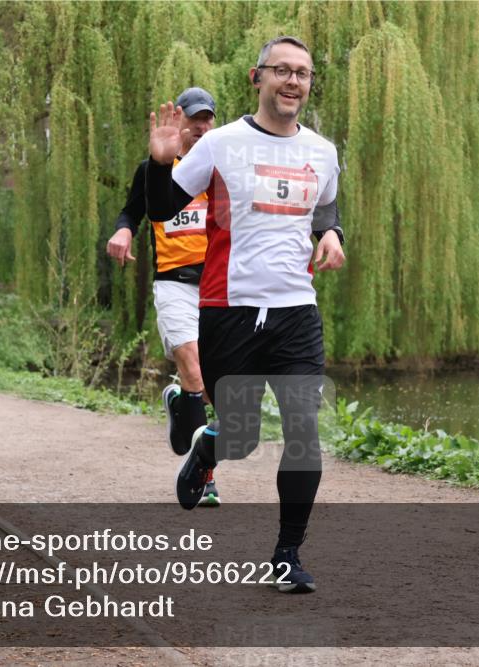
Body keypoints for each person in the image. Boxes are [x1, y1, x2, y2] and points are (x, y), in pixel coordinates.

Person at [145, 36, 346, 593]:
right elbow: (162, 209)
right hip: (228, 309)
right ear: (258, 79)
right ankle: (210, 447)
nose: (293, 82)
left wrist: (331, 232)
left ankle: (287, 554)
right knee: (241, 436)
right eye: (281, 71)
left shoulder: (324, 151)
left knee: (304, 432)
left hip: (295, 311)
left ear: (309, 84)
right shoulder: (221, 144)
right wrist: (161, 165)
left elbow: (323, 203)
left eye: (303, 73)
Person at [106, 87, 221, 506]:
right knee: (192, 365)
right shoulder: (156, 167)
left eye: (208, 120)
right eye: (194, 120)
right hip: (174, 282)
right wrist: (122, 229)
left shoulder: (221, 169)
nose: (201, 127)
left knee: (216, 386)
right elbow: (131, 210)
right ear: (180, 123)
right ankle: (205, 474)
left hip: (219, 287)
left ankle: (180, 405)